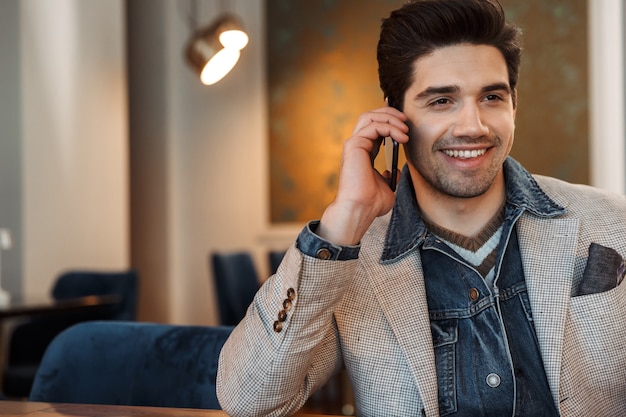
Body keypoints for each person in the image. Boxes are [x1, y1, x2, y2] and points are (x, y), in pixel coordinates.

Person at [216, 0, 626, 415]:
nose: (473, 126)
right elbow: (249, 400)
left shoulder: (613, 220)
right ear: (395, 118)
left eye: (491, 97)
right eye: (441, 101)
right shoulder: (349, 263)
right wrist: (342, 224)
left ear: (514, 104)